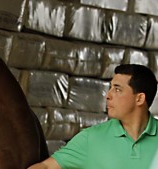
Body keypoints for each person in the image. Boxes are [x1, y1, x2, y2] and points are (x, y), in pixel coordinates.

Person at [28, 64, 158, 169]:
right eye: (110, 88)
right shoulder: (91, 138)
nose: (108, 95)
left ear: (140, 98)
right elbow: (46, 166)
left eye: (117, 89)